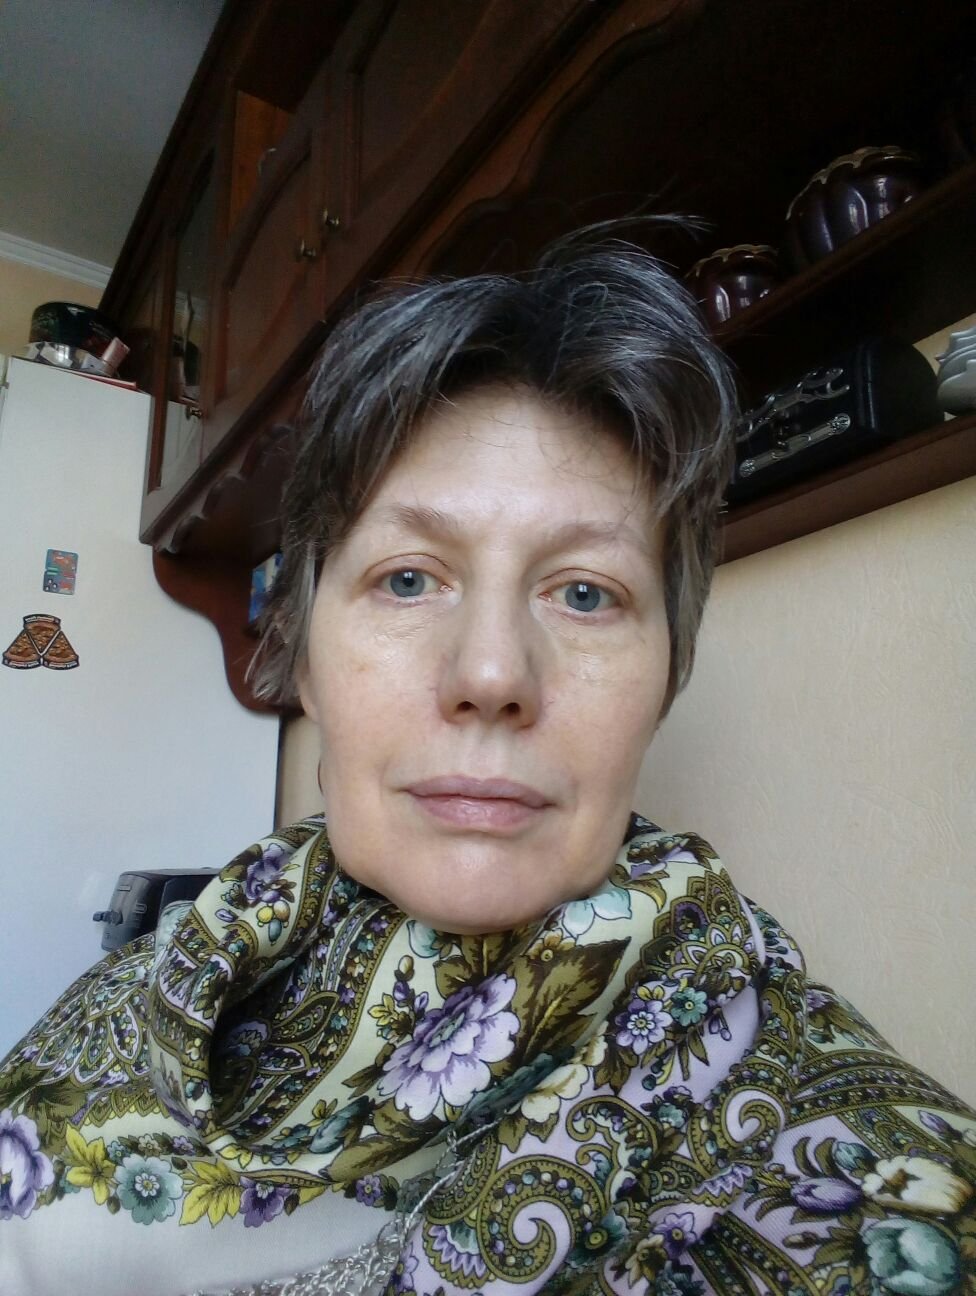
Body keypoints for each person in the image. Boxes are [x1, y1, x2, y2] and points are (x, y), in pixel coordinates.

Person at [1, 236, 973, 1296]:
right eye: (407, 579)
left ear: (666, 679)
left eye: (586, 593)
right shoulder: (137, 991)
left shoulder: (867, 1178)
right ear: (305, 662)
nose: (493, 672)